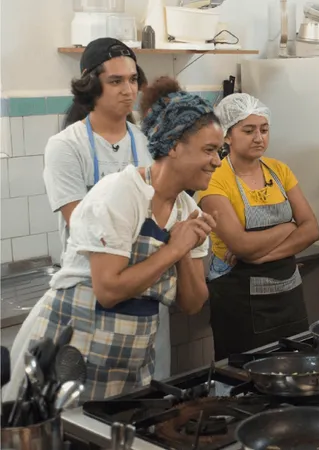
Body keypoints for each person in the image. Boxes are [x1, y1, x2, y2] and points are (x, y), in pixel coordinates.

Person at [6, 77, 222, 401]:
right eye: (209, 150)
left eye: (219, 151)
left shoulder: (186, 209)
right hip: (68, 353)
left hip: (128, 362)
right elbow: (107, 291)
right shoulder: (122, 193)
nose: (218, 161)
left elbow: (192, 304)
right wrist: (174, 248)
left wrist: (185, 249)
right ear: (175, 146)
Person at [41, 38, 173, 382]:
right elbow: (82, 224)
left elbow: (165, 211)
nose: (128, 90)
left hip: (144, 289)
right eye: (115, 81)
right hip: (90, 290)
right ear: (91, 86)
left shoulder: (147, 141)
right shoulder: (67, 147)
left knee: (147, 399)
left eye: (132, 79)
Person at [196, 93, 319, 360]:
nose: (259, 137)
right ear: (227, 135)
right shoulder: (215, 179)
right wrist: (288, 226)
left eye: (264, 130)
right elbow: (241, 245)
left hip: (289, 293)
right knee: (245, 377)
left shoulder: (279, 170)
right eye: (248, 130)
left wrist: (260, 255)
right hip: (237, 298)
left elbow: (311, 229)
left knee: (295, 369)